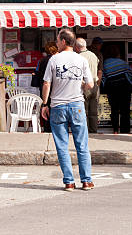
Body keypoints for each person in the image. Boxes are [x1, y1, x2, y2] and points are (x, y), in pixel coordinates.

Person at [41, 29, 94, 191]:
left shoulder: (54, 59)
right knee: (82, 145)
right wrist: (81, 86)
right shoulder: (81, 59)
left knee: (62, 145)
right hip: (77, 104)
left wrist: (44, 104)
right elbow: (90, 84)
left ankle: (69, 182)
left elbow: (46, 84)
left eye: (57, 40)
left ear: (64, 41)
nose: (56, 43)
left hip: (58, 106)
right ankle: (86, 181)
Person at [102, 45, 132, 134]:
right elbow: (131, 76)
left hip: (112, 88)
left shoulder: (105, 64)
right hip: (124, 88)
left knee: (114, 109)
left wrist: (105, 87)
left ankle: (115, 129)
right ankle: (125, 130)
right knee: (125, 110)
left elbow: (103, 79)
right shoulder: (123, 63)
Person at [75, 37, 102, 134]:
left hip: (84, 85)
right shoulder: (94, 55)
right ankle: (94, 129)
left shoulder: (78, 57)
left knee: (84, 110)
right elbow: (99, 71)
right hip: (94, 85)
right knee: (94, 111)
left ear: (77, 47)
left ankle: (84, 130)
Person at [31, 41, 58, 133]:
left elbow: (37, 73)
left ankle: (47, 129)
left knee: (45, 107)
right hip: (57, 89)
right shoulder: (58, 60)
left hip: (44, 88)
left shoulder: (41, 61)